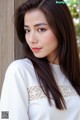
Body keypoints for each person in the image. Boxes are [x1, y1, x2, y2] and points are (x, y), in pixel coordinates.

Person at [1, 0, 80, 120]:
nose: (31, 39)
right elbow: (6, 116)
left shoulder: (76, 73)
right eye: (27, 30)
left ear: (62, 29)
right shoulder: (20, 71)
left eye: (41, 29)